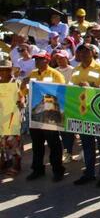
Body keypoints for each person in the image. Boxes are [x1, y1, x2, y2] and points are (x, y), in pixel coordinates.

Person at [71, 44, 100, 187]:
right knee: (87, 145)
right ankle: (89, 173)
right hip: (83, 113)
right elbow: (71, 89)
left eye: (86, 51)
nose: (83, 54)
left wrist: (90, 86)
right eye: (80, 52)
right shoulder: (75, 70)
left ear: (92, 53)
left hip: (99, 113)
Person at [23, 52, 66, 182]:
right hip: (35, 112)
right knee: (37, 143)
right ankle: (37, 169)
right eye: (35, 59)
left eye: (39, 59)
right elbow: (24, 92)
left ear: (47, 60)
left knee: (53, 143)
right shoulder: (32, 74)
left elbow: (62, 91)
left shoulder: (55, 74)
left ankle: (58, 170)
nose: (36, 61)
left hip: (50, 113)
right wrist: (23, 84)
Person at [0, 58, 24, 176]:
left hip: (13, 115)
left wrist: (21, 102)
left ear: (10, 70)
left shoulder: (16, 82)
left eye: (6, 70)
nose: (3, 72)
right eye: (1, 70)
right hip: (1, 114)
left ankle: (17, 164)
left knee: (13, 141)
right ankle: (4, 162)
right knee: (2, 141)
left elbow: (22, 97)